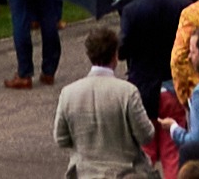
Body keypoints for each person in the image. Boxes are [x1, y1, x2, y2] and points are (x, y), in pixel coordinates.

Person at [57, 24, 153, 179]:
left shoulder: (68, 93)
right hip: (124, 173)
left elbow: (61, 138)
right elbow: (146, 135)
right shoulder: (127, 92)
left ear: (89, 55)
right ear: (115, 55)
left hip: (84, 173)